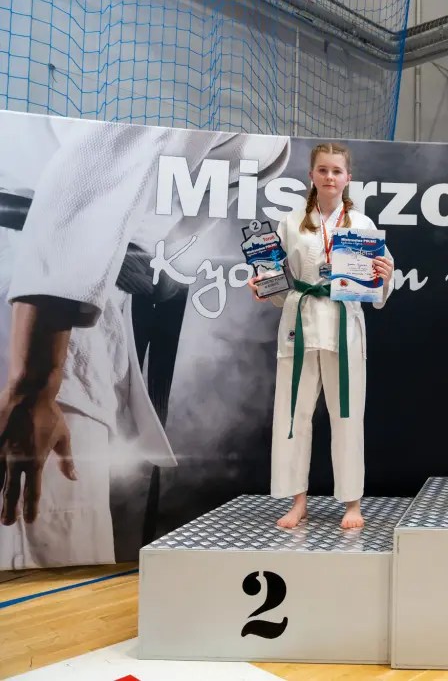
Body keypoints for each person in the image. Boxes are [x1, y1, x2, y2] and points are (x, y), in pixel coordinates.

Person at [0, 111, 289, 568]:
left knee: (58, 528)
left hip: (67, 296)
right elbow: (92, 177)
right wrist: (35, 380)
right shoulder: (177, 97)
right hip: (39, 303)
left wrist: (150, 265)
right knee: (44, 535)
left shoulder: (249, 125)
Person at [248, 142, 394, 530]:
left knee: (348, 414)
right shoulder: (291, 222)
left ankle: (352, 502)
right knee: (293, 413)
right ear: (311, 175)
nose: (330, 177)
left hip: (344, 324)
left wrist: (384, 276)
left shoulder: (362, 226)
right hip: (300, 322)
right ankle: (298, 500)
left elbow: (379, 287)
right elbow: (277, 282)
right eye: (323, 170)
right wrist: (264, 285)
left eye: (337, 171)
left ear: (348, 178)